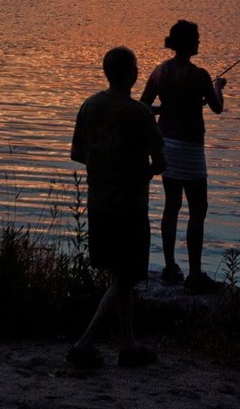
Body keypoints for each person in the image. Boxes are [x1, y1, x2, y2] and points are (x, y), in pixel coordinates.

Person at [69, 46, 165, 368]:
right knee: (125, 277)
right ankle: (85, 343)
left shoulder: (90, 106)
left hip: (98, 205)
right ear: (132, 74)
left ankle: (129, 345)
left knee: (119, 274)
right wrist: (143, 169)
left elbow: (79, 154)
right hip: (130, 208)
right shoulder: (139, 114)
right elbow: (160, 162)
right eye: (137, 66)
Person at [140, 19, 226, 292]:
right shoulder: (200, 75)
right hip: (190, 149)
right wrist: (218, 86)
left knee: (171, 206)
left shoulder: (159, 71)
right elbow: (217, 108)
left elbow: (143, 107)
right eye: (197, 37)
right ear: (188, 43)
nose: (200, 41)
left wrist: (164, 112)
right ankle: (195, 274)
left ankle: (169, 267)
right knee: (198, 210)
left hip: (167, 146)